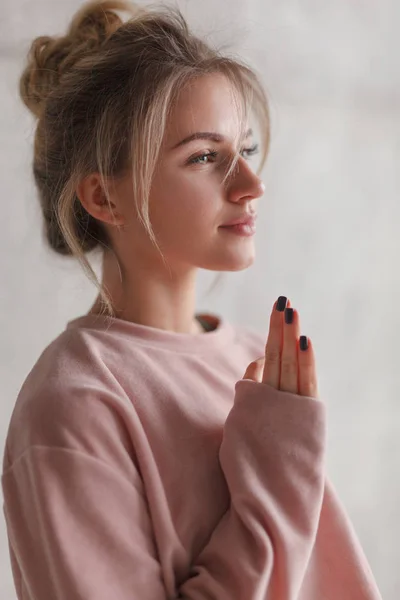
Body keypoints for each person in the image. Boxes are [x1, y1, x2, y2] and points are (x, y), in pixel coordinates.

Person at [1, 1, 382, 599]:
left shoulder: (259, 360)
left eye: (247, 149)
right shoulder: (75, 406)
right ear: (105, 197)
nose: (251, 185)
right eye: (205, 157)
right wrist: (277, 472)